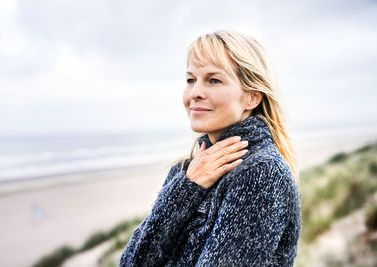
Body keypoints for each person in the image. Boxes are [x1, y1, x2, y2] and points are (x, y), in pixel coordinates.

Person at [119, 30, 301, 266]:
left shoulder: (263, 173)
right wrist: (186, 190)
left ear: (253, 97)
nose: (195, 93)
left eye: (213, 80)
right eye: (191, 80)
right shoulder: (185, 173)